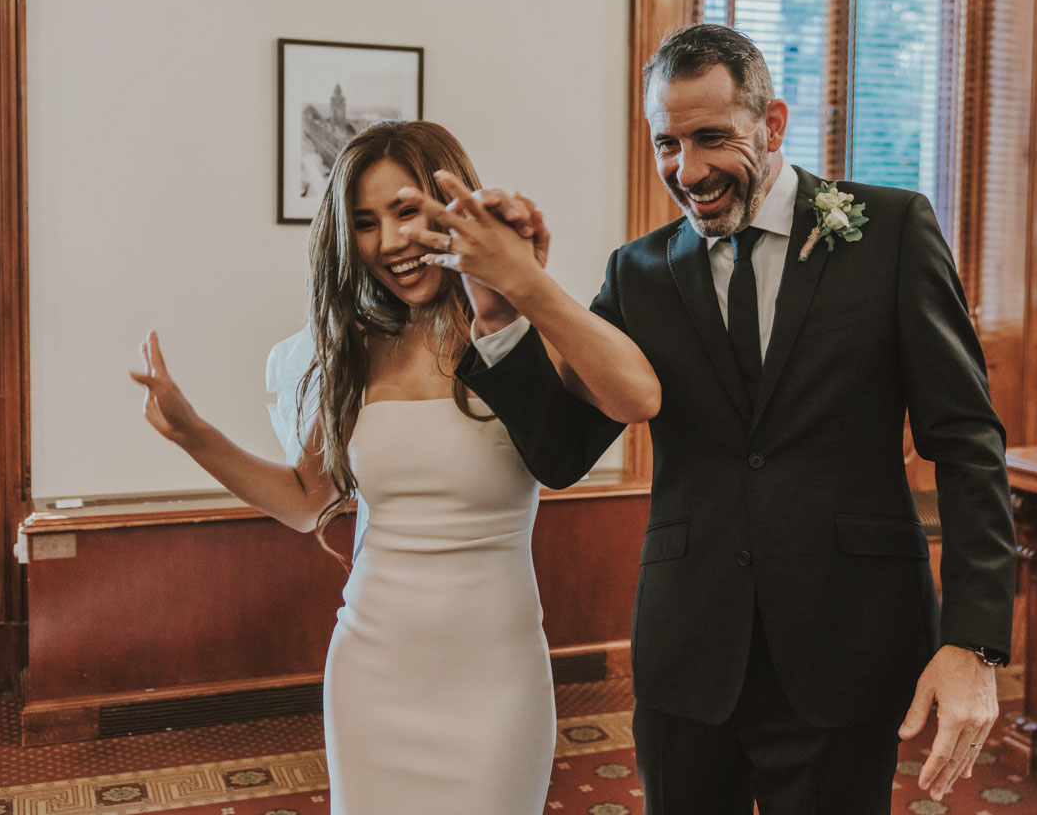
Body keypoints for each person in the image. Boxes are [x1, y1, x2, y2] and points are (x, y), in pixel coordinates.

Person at [451, 25, 1016, 814]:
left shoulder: (889, 232)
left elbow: (966, 442)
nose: (688, 170)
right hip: (689, 648)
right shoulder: (638, 272)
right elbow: (563, 451)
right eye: (666, 144)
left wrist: (973, 640)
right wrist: (499, 317)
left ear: (771, 124)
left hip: (848, 638)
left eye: (711, 137)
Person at [129, 120, 660, 815]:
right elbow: (304, 502)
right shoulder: (356, 348)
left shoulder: (512, 334)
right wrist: (193, 434)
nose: (389, 241)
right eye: (365, 222)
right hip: (372, 669)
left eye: (406, 210)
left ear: (453, 208)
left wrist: (523, 281)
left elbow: (638, 395)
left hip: (494, 678)